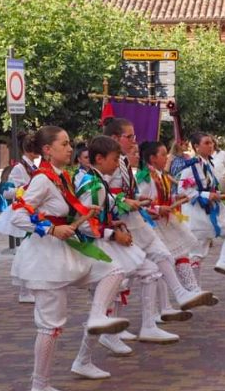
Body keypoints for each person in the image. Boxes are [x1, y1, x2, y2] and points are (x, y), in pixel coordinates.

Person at [9, 125, 130, 391]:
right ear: (47, 150)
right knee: (50, 325)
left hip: (63, 251)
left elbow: (65, 212)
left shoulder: (62, 176)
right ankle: (39, 385)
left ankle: (97, 318)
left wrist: (87, 215)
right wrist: (51, 228)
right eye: (63, 144)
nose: (69, 148)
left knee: (114, 269)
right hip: (45, 257)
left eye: (69, 143)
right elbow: (17, 215)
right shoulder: (41, 178)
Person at [102, 118, 213, 350]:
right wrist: (134, 205)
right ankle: (108, 330)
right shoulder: (109, 167)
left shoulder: (121, 163)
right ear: (114, 139)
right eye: (129, 137)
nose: (134, 142)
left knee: (156, 264)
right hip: (123, 227)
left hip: (136, 222)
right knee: (121, 280)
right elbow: (105, 198)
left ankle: (157, 315)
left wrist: (140, 204)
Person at [71, 135, 165, 379]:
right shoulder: (92, 184)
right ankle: (87, 353)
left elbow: (107, 205)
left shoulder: (98, 181)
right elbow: (82, 224)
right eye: (114, 160)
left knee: (144, 272)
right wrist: (113, 234)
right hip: (93, 247)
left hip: (103, 243)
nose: (117, 164)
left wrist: (117, 217)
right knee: (104, 298)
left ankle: (142, 326)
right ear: (99, 159)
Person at [137, 141, 216, 322]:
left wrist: (174, 198)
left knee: (179, 255)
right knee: (160, 265)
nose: (167, 158)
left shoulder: (161, 175)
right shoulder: (145, 177)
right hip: (153, 225)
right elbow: (139, 202)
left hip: (166, 222)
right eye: (163, 154)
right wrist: (158, 209)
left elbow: (161, 197)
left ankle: (190, 290)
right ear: (152, 158)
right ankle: (161, 309)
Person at [178, 132, 225, 285]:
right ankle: (194, 289)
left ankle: (223, 262)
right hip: (198, 214)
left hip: (213, 211)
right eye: (206, 143)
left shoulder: (209, 164)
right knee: (196, 253)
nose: (211, 145)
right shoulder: (192, 166)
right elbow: (182, 190)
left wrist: (218, 195)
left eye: (211, 143)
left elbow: (209, 186)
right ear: (196, 146)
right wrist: (207, 195)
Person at [0, 130, 39, 303]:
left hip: (33, 211)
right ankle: (24, 290)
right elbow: (7, 192)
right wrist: (24, 190)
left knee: (31, 251)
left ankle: (28, 288)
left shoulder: (33, 167)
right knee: (27, 251)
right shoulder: (19, 168)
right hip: (24, 212)